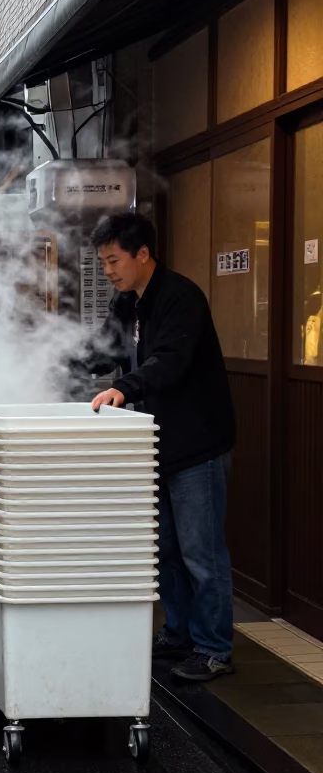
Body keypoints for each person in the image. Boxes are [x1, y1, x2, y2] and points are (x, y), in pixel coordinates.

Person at [81, 212, 237, 683]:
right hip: (158, 443)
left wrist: (123, 389)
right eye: (103, 262)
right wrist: (61, 360)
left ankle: (213, 648)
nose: (108, 270)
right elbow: (104, 350)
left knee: (200, 552)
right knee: (166, 546)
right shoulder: (129, 301)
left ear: (142, 254)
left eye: (114, 260)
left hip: (197, 443)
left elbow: (169, 361)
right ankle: (178, 633)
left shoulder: (180, 297)